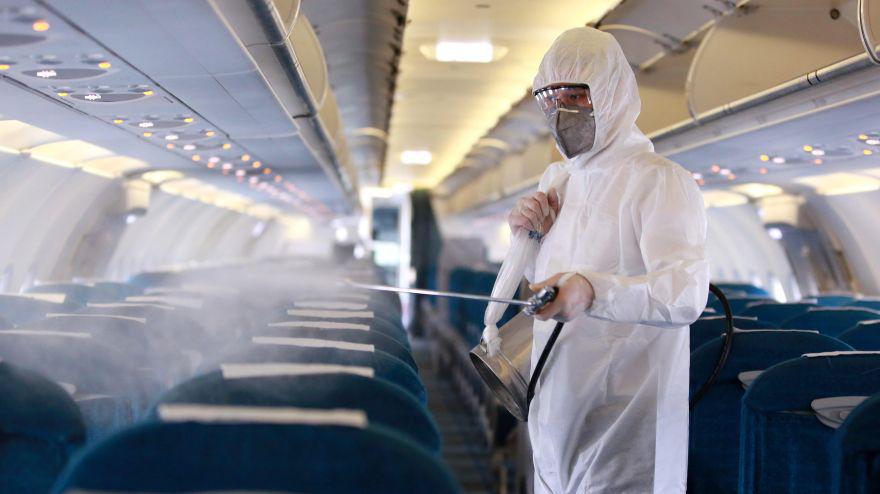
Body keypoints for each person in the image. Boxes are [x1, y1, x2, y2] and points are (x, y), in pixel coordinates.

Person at [507, 27, 710, 494]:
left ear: (612, 92)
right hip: (555, 408)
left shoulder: (660, 181)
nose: (562, 111)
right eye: (550, 99)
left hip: (624, 419)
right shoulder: (558, 180)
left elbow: (684, 293)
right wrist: (527, 239)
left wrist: (593, 290)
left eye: (576, 96)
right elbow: (544, 287)